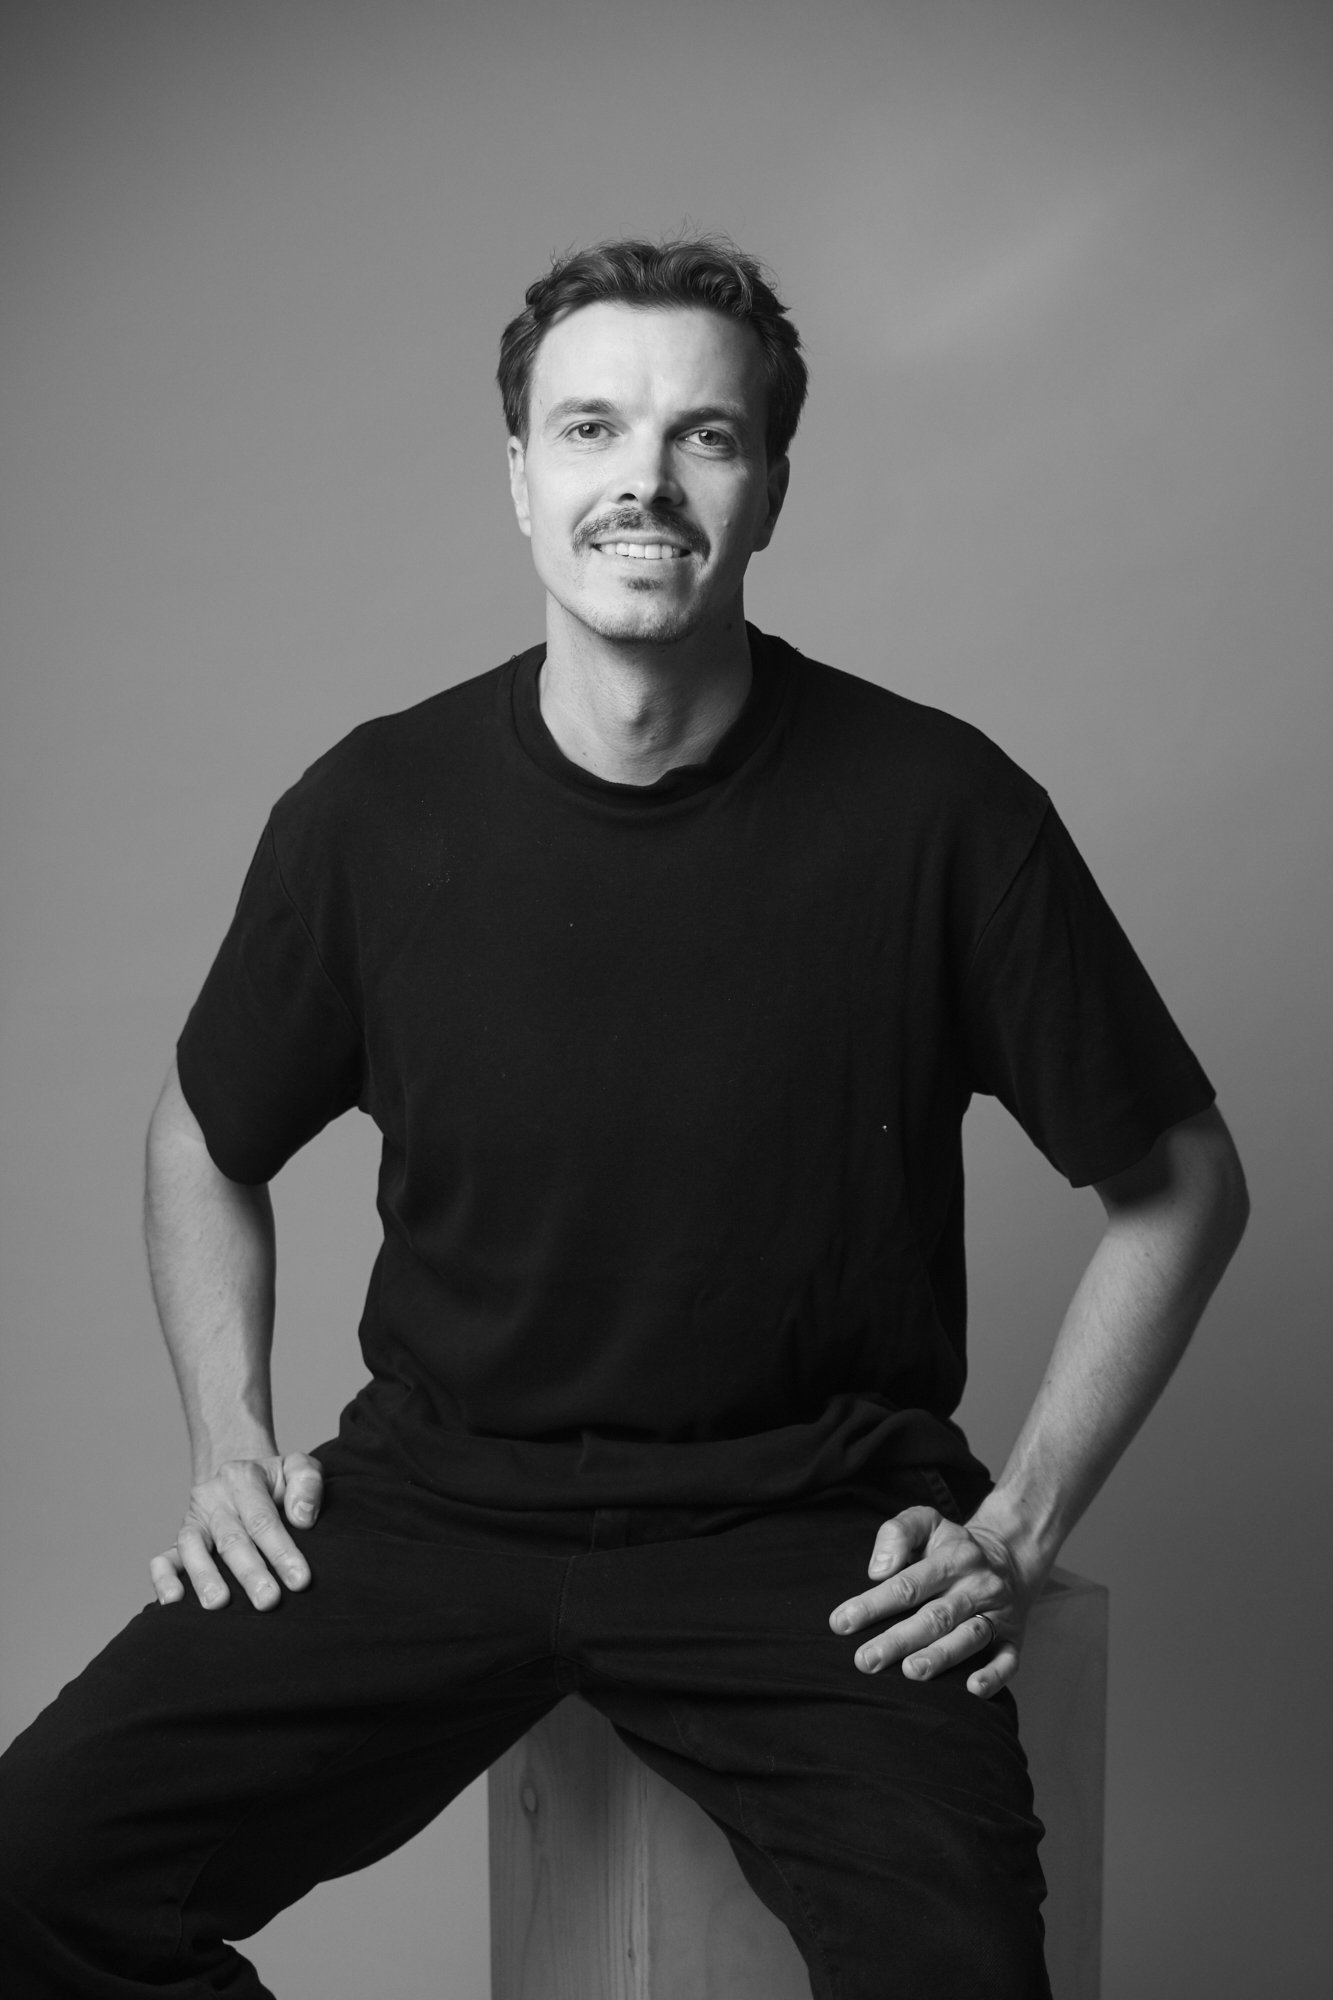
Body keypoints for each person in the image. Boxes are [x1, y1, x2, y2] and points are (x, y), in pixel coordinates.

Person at [0, 237, 1247, 1999]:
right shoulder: (371, 810)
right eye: (590, 431)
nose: (642, 482)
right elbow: (204, 1140)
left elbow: (1181, 1179)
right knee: (28, 1877)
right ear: (520, 479)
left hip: (804, 1533)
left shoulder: (941, 809)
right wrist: (227, 1447)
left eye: (703, 438)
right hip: (437, 1501)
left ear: (772, 488)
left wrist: (1020, 1522)